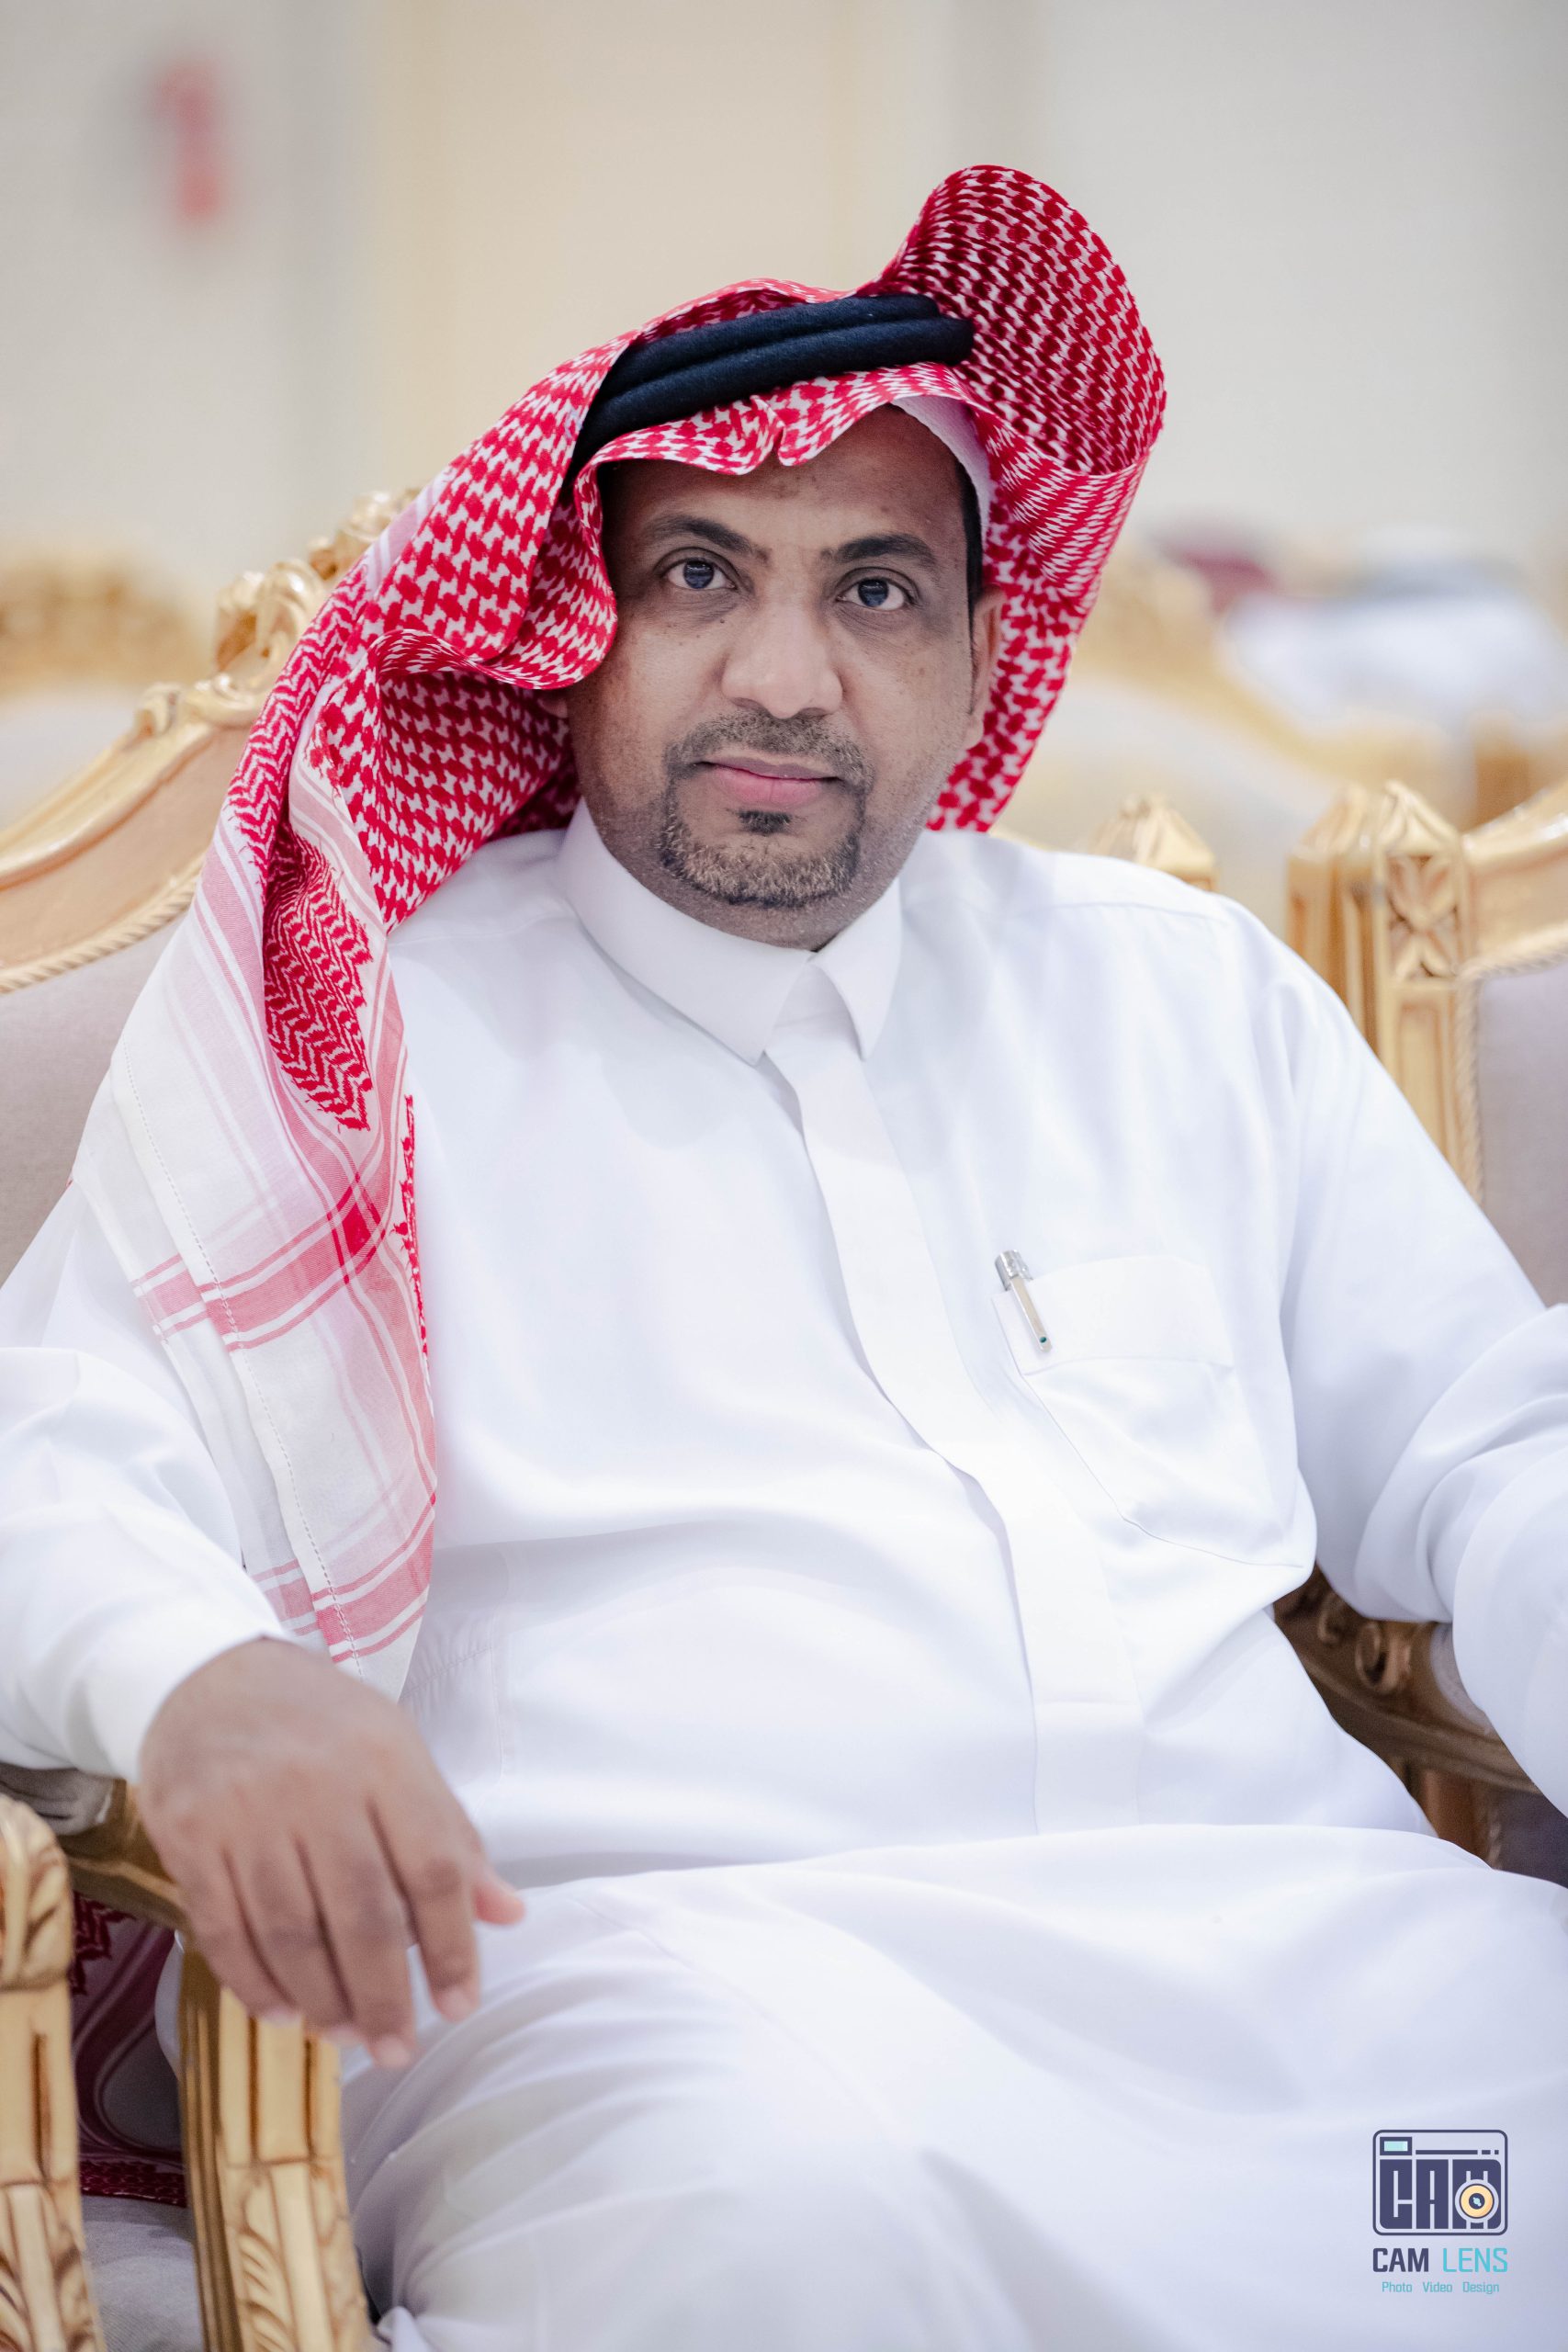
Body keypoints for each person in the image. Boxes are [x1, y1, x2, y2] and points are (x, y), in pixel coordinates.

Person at [2, 167, 1567, 2350]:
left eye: (875, 589)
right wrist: (198, 1675)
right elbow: (52, 1438)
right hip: (685, 1990)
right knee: (778, 2238)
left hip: (1301, 1971)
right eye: (700, 575)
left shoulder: (1175, 992)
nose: (779, 674)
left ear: (979, 655)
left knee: (1491, 2210)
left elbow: (1494, 1442)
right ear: (574, 621)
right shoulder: (365, 1036)